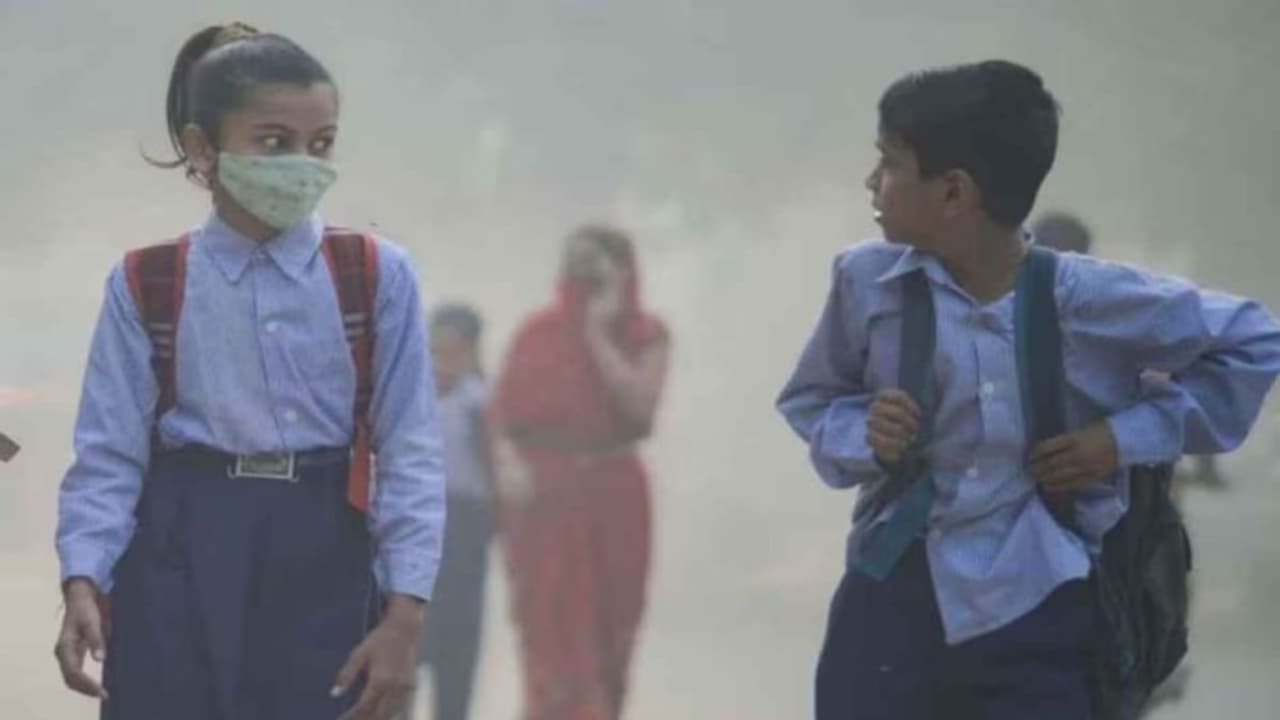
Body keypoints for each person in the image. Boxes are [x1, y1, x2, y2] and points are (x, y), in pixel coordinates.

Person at [777, 59, 1280, 719]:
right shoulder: (866, 283)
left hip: (1042, 608)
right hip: (890, 603)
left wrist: (1120, 439)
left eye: (891, 162)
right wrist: (863, 432)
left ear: (953, 193)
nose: (873, 181)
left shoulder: (1088, 297)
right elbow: (814, 399)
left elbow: (1255, 340)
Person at [53, 23, 445, 720]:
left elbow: (410, 449)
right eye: (273, 142)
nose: (302, 164)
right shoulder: (148, 281)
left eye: (320, 143)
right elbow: (109, 453)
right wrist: (82, 577)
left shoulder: (373, 273)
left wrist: (404, 613)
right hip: (178, 550)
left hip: (325, 549)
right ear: (203, 148)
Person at [490, 225, 670, 720]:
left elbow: (640, 411)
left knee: (611, 629)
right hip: (543, 497)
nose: (582, 276)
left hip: (614, 492)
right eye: (575, 264)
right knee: (546, 629)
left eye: (595, 265)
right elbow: (499, 414)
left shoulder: (646, 334)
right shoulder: (536, 332)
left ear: (624, 272)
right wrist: (507, 464)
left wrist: (597, 332)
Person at [409, 304, 495, 720]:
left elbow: (496, 475)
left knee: (457, 646)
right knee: (407, 641)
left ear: (473, 354)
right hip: (414, 523)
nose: (442, 363)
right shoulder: (411, 397)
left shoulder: (480, 404)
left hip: (463, 528)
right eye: (435, 351)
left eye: (453, 353)